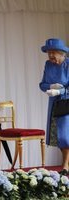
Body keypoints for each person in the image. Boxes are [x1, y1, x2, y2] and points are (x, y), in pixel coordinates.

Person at [39, 38, 69, 175]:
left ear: (62, 53)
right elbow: (42, 84)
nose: (51, 56)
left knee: (64, 136)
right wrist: (51, 87)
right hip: (55, 104)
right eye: (49, 53)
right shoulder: (48, 65)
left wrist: (60, 91)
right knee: (58, 136)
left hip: (67, 103)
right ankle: (66, 164)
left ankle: (65, 165)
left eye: (53, 53)